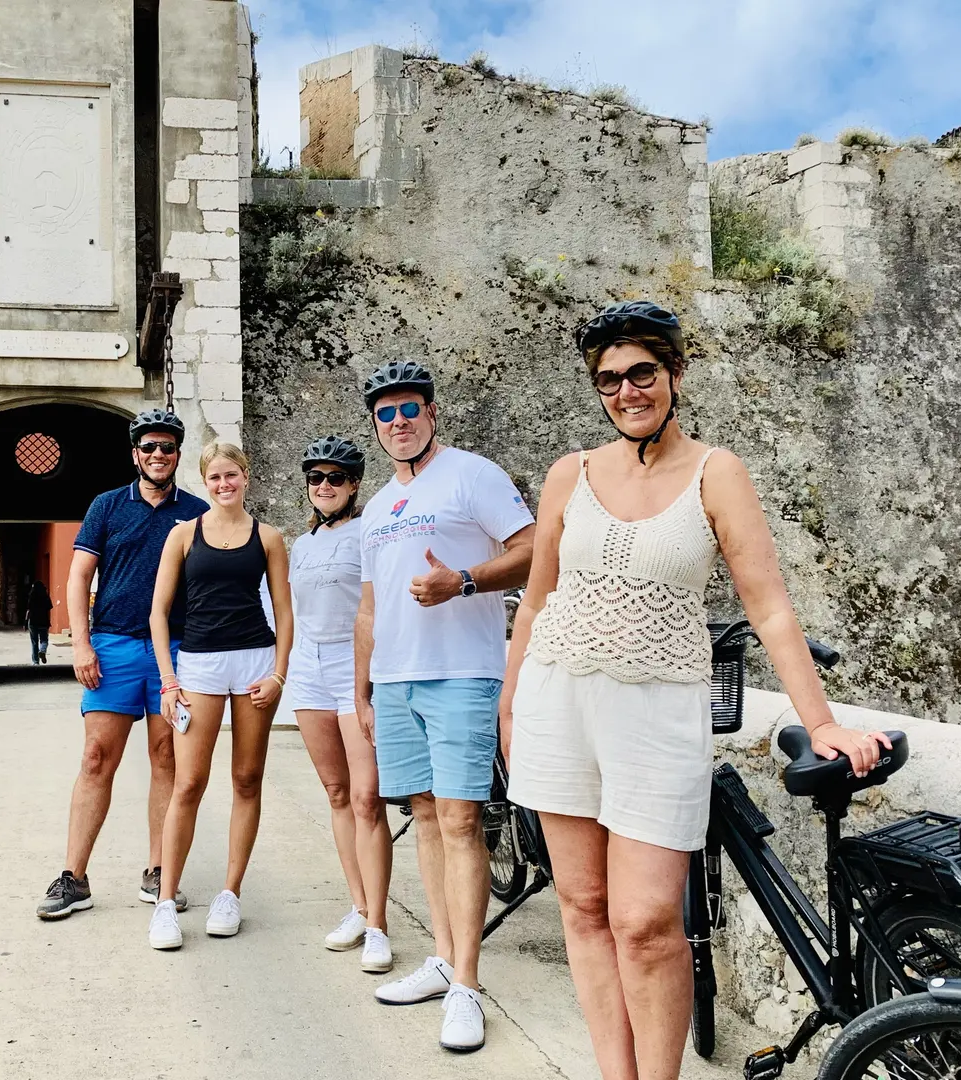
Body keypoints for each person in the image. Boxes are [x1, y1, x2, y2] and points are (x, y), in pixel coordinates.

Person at [503, 301, 892, 1080]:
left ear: (675, 374)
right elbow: (539, 598)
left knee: (647, 922)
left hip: (657, 713)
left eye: (641, 372)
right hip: (557, 702)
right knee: (580, 908)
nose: (625, 392)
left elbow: (769, 605)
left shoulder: (717, 472)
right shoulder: (567, 475)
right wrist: (510, 704)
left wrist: (822, 723)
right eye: (608, 380)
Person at [354, 360, 535, 1053]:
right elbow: (369, 607)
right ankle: (441, 957)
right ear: (375, 426)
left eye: (410, 410)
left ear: (432, 414)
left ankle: (467, 984)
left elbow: (532, 549)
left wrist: (461, 581)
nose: (398, 422)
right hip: (396, 679)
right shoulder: (375, 506)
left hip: (462, 671)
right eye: (386, 414)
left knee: (461, 820)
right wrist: (364, 688)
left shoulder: (472, 475)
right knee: (425, 816)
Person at [36, 409, 208, 921]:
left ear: (178, 454)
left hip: (175, 651)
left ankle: (160, 871)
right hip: (112, 647)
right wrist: (81, 645)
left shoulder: (197, 511)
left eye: (168, 447)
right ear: (135, 453)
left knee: (166, 758)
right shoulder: (107, 505)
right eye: (150, 447)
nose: (159, 455)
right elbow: (77, 576)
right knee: (96, 759)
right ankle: (74, 877)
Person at [144, 443, 293, 949]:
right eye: (215, 477)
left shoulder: (268, 538)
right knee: (188, 782)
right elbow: (158, 613)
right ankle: (166, 902)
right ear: (205, 482)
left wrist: (278, 674)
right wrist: (168, 680)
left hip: (254, 661)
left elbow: (284, 612)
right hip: (200, 666)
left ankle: (230, 893)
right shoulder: (183, 535)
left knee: (247, 779)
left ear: (246, 478)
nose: (224, 484)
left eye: (231, 475)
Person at [287, 435, 394, 974]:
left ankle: (377, 923)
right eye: (315, 478)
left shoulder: (368, 534)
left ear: (354, 484)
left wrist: (368, 682)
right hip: (309, 670)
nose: (323, 486)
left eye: (334, 478)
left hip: (357, 669)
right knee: (335, 792)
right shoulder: (301, 545)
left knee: (366, 797)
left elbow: (379, 607)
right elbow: (292, 615)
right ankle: (357, 906)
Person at [24, 576, 53, 665]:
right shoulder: (46, 597)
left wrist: (25, 622)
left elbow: (28, 611)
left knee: (34, 642)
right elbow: (49, 608)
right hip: (44, 622)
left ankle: (36, 662)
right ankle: (43, 651)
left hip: (33, 622)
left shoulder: (31, 597)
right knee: (44, 640)